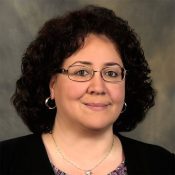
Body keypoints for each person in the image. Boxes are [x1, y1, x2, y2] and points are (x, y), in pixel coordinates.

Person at [0, 5, 174, 175]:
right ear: (52, 85)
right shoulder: (5, 161)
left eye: (111, 73)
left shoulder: (163, 165)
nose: (98, 88)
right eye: (82, 72)